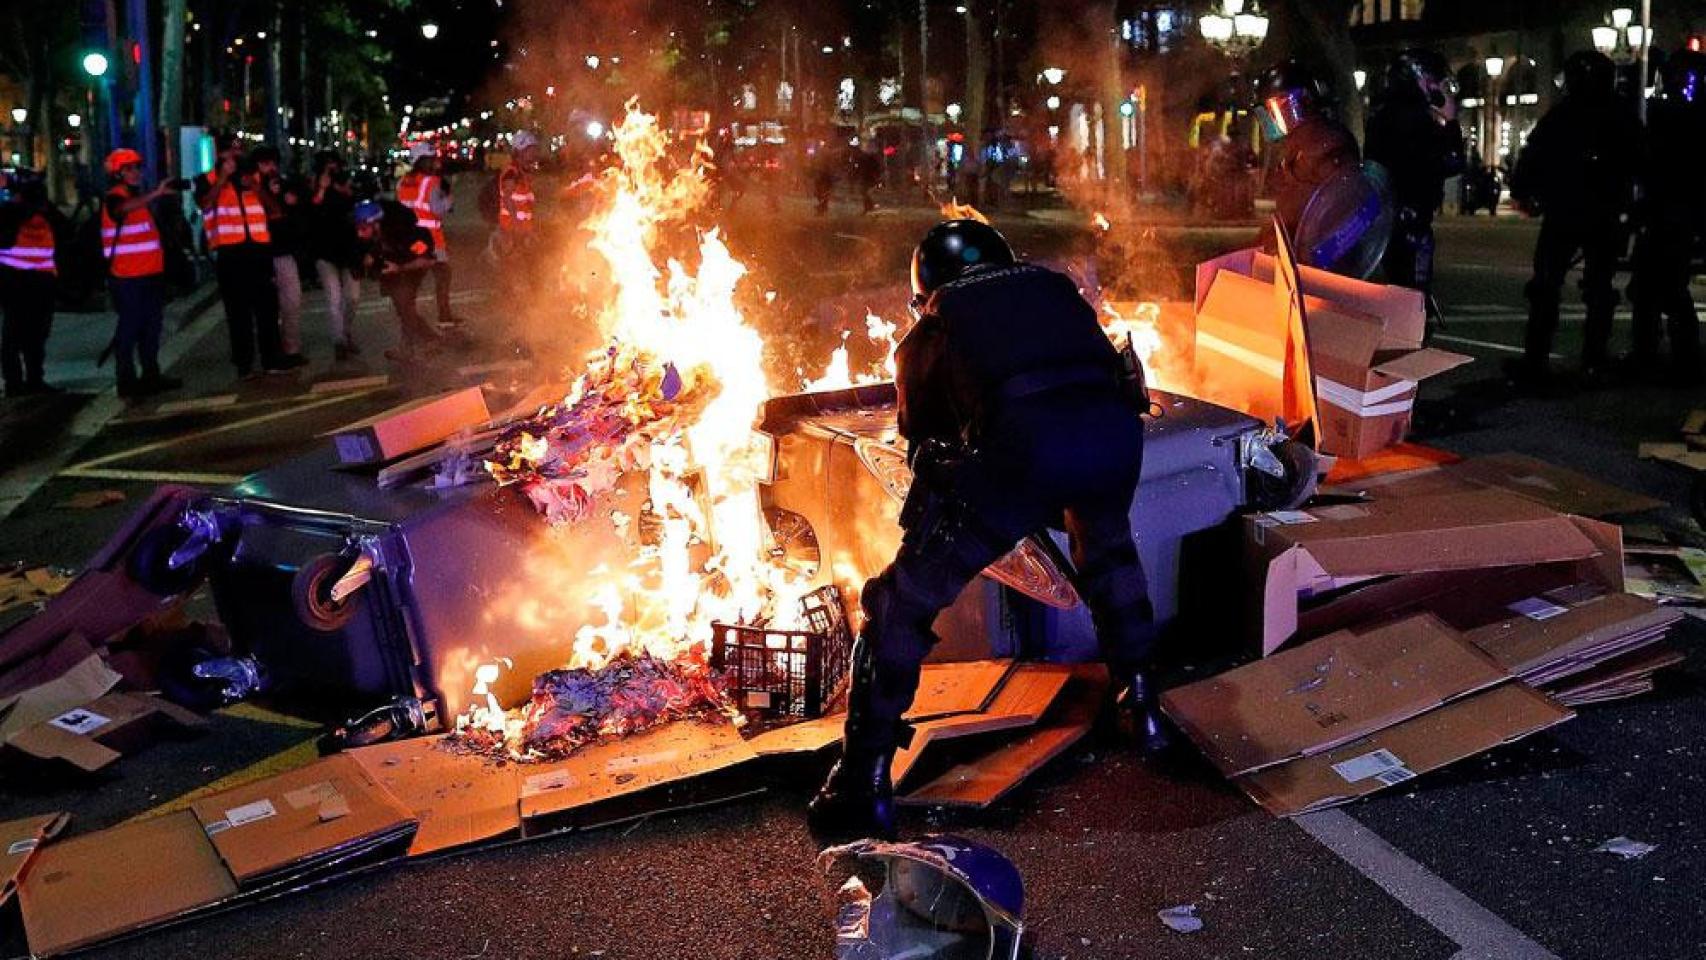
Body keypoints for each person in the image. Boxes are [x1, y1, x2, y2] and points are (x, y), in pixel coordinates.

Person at [807, 219, 1167, 840]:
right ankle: (1141, 703)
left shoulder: (935, 326)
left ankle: (861, 779)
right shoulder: (1057, 290)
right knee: (1108, 556)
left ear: (927, 288)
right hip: (1113, 442)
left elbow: (927, 447)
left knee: (901, 603)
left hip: (1024, 457)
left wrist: (932, 529)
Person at [1507, 50, 1642, 389]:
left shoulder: (1563, 116)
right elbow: (1642, 163)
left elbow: (1532, 157)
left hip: (1567, 212)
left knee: (1548, 284)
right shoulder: (1620, 116)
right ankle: (1593, 358)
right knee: (1597, 286)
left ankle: (1537, 358)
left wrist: (1525, 190)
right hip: (1603, 214)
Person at [1627, 50, 1706, 384]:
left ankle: (1674, 356)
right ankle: (1656, 353)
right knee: (1651, 286)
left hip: (1674, 211)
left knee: (1665, 286)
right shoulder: (1677, 115)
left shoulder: (1685, 118)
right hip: (1667, 210)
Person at [1366, 49, 1465, 303]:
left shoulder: (1382, 113)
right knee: (1414, 296)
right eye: (1435, 81)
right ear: (1421, 80)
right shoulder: (1417, 120)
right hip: (1411, 220)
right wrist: (1451, 121)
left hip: (1389, 218)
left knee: (1398, 290)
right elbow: (1452, 161)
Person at [196, 134, 288, 379]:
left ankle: (272, 359)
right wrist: (223, 178)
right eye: (229, 152)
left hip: (258, 251)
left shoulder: (256, 178)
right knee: (238, 313)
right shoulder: (208, 179)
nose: (235, 156)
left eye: (238, 151)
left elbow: (276, 211)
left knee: (267, 309)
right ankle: (244, 363)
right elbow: (205, 204)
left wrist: (256, 187)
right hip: (230, 253)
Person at [100, 149, 185, 399]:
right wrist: (156, 193)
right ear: (117, 174)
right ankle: (126, 381)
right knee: (130, 329)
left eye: (137, 167)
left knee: (151, 328)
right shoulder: (115, 198)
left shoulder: (136, 199)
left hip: (148, 275)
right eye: (129, 169)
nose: (136, 173)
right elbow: (121, 210)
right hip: (128, 278)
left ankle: (150, 375)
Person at [1256, 60, 1362, 239]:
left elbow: (1341, 205)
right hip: (1298, 246)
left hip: (1325, 249)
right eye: (1270, 113)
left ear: (1304, 100)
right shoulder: (1295, 146)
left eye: (1279, 109)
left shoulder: (1326, 140)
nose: (1274, 121)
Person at [0, 171, 67, 397]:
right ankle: (14, 383)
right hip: (15, 280)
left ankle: (35, 380)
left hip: (42, 280)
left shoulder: (45, 211)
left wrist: (41, 205)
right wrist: (24, 204)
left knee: (36, 336)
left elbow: (65, 230)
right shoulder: (10, 211)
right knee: (13, 336)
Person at [354, 198, 442, 361]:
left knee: (405, 304)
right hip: (396, 267)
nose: (360, 233)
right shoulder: (376, 234)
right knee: (403, 308)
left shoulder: (409, 235)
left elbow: (427, 260)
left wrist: (400, 268)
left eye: (363, 228)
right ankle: (429, 339)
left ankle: (410, 347)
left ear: (376, 224)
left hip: (411, 266)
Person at [397, 142, 465, 328]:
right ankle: (444, 317)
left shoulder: (403, 181)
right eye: (430, 159)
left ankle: (408, 318)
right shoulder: (431, 182)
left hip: (410, 238)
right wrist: (448, 200)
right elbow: (437, 210)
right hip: (432, 239)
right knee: (443, 275)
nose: (434, 163)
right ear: (421, 161)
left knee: (414, 280)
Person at [253, 146, 309, 368]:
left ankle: (290, 348)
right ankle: (274, 351)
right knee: (268, 307)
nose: (271, 168)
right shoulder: (252, 188)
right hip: (262, 252)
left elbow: (292, 211)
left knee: (292, 301)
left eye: (273, 164)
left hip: (283, 250)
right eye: (266, 164)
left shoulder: (282, 184)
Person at [308, 151, 363, 361]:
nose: (331, 169)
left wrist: (347, 191)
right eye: (327, 165)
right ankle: (339, 340)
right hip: (325, 251)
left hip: (349, 251)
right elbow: (311, 210)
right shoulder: (316, 187)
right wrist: (321, 188)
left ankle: (345, 331)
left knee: (353, 298)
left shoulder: (346, 185)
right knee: (334, 299)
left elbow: (358, 209)